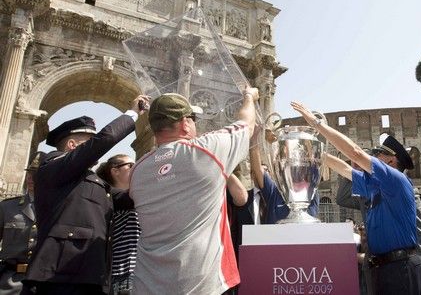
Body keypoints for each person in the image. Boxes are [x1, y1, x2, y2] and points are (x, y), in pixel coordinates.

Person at [129, 89, 259, 294]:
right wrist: (249, 97)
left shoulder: (137, 171)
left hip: (147, 283)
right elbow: (247, 124)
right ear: (184, 123)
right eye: (193, 118)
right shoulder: (206, 151)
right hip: (201, 283)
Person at [291, 101, 421, 295]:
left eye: (377, 155)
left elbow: (354, 152)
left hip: (402, 268)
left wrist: (316, 124)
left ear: (391, 161)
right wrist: (314, 151)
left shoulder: (397, 180)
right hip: (381, 267)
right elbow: (344, 168)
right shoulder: (373, 184)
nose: (372, 157)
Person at [21, 95, 150, 295]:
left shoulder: (93, 181)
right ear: (72, 145)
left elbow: (126, 199)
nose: (96, 151)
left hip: (91, 275)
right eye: (90, 143)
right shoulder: (52, 166)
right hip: (59, 276)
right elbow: (104, 140)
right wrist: (132, 114)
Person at [336, 154, 421, 295]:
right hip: (376, 264)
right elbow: (342, 198)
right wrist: (353, 171)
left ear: (392, 164)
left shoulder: (405, 189)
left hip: (402, 266)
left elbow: (420, 230)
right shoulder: (371, 190)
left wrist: (420, 268)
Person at [0, 152, 44, 295]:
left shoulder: (58, 208)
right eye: (29, 173)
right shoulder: (7, 207)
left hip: (44, 282)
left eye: (37, 174)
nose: (31, 178)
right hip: (10, 282)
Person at [96, 154, 140, 295]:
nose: (135, 168)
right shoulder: (113, 200)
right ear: (115, 171)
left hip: (138, 273)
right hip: (126, 274)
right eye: (130, 165)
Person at [249, 139, 319, 224]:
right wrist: (254, 139)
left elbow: (313, 161)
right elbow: (257, 168)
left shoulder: (310, 191)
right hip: (275, 236)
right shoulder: (274, 191)